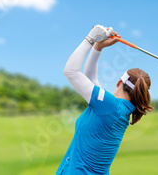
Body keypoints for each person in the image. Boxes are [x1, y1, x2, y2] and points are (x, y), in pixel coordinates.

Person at [56, 25, 153, 174]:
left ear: (119, 82)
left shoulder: (109, 106)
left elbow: (70, 71)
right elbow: (90, 79)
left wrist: (90, 38)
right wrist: (98, 46)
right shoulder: (117, 109)